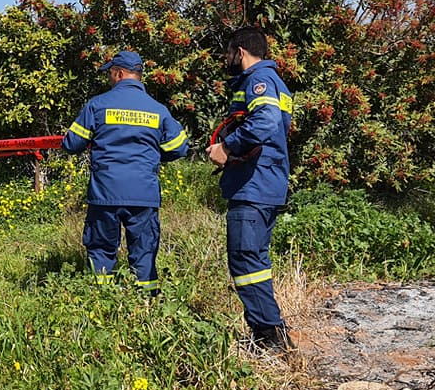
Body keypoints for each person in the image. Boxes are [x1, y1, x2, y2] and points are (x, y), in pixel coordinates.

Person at [62, 50, 189, 291]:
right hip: (143, 193)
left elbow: (72, 144)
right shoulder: (158, 109)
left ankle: (103, 300)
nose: (109, 79)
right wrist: (154, 156)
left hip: (105, 193)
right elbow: (180, 147)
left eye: (110, 73)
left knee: (101, 249)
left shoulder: (97, 105)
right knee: (144, 253)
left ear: (119, 73)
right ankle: (146, 303)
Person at [206, 27, 295, 351]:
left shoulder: (259, 81)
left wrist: (227, 148)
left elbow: (266, 121)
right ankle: (267, 333)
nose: (225, 59)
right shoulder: (274, 82)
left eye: (227, 53)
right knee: (253, 260)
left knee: (246, 261)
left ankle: (270, 337)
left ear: (240, 52)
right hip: (263, 183)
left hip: (253, 186)